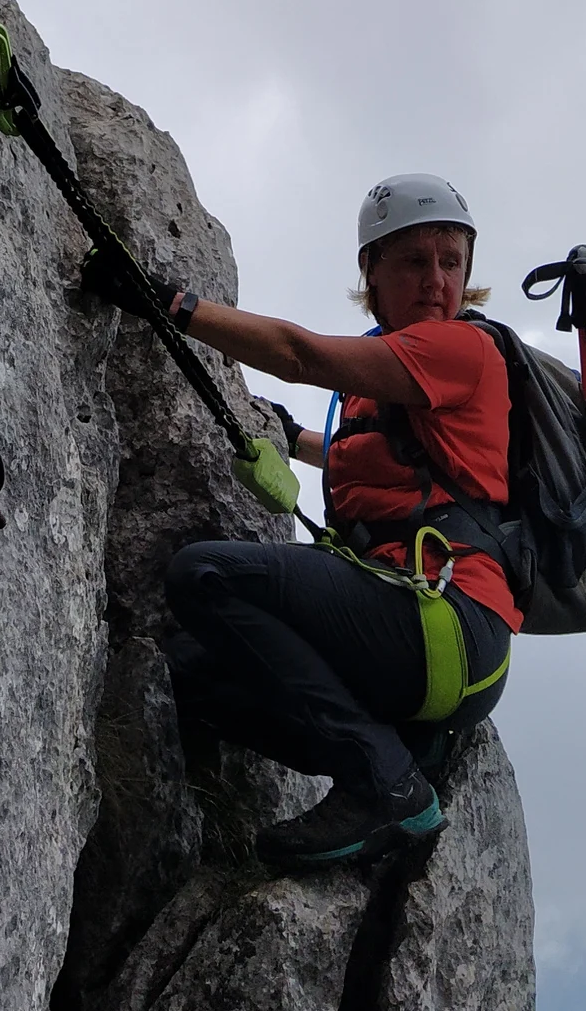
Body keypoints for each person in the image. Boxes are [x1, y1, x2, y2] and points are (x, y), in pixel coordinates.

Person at [148, 174, 520, 872]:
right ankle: (391, 762)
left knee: (203, 575)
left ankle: (386, 783)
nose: (437, 281)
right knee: (193, 674)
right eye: (415, 261)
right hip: (426, 642)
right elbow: (385, 462)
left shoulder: (462, 349)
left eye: (451, 262)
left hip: (447, 619)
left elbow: (299, 356)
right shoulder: (386, 378)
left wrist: (176, 306)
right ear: (372, 272)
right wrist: (291, 442)